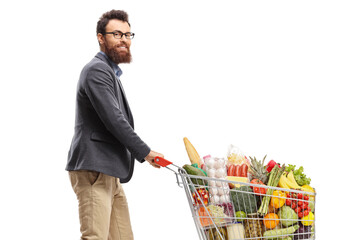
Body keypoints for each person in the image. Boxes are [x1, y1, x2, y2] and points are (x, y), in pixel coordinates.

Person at [66, 9, 164, 240]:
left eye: (128, 35)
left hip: (110, 172)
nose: (124, 40)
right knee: (95, 237)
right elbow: (114, 119)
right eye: (117, 34)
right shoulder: (97, 70)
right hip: (94, 170)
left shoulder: (109, 71)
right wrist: (146, 153)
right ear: (101, 37)